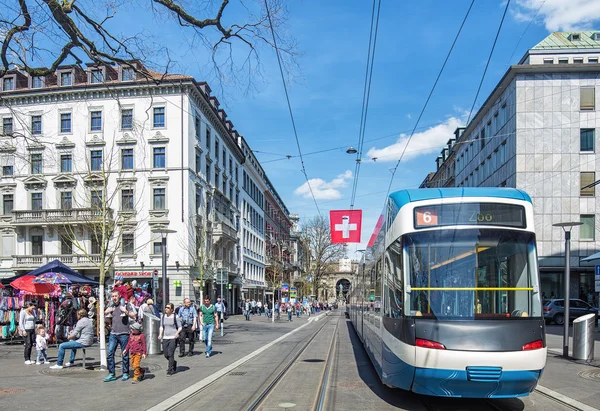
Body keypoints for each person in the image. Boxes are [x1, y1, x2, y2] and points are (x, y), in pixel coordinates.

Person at [103, 290, 137, 382]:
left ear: (119, 296)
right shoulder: (111, 305)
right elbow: (106, 318)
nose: (114, 298)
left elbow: (134, 316)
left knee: (124, 354)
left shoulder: (127, 305)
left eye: (116, 296)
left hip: (124, 334)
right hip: (113, 333)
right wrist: (106, 313)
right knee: (110, 353)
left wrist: (125, 311)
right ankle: (111, 373)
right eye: (112, 296)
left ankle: (125, 373)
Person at [159, 303, 181, 376]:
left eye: (168, 308)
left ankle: (170, 369)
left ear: (172, 309)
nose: (166, 309)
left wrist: (176, 334)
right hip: (165, 337)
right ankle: (173, 362)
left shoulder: (176, 317)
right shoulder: (163, 316)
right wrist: (160, 334)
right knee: (166, 354)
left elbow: (180, 327)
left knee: (170, 353)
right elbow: (161, 327)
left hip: (173, 338)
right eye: (166, 307)